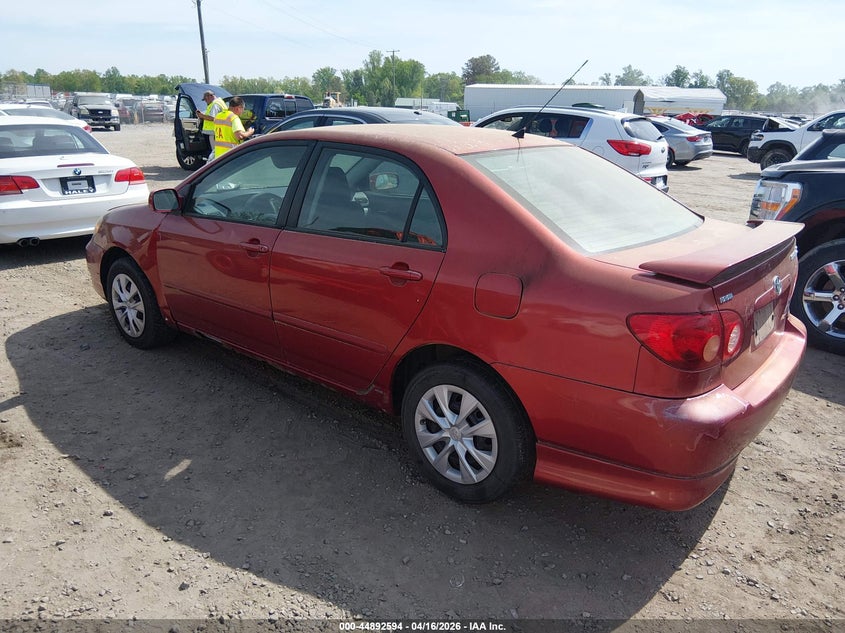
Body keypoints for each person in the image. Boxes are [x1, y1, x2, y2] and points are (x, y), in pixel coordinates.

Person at [196, 90, 227, 160]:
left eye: (206, 99)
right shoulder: (220, 102)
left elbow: (213, 117)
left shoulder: (215, 104)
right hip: (219, 131)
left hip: (213, 132)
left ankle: (213, 165)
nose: (205, 101)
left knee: (214, 153)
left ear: (210, 96)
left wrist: (201, 116)